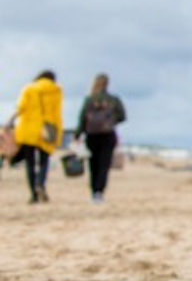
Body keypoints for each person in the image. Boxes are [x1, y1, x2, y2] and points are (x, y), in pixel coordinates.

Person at [8, 70, 65, 204]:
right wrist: (58, 134)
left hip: (28, 129)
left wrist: (10, 121)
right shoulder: (56, 90)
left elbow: (20, 107)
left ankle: (33, 194)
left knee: (30, 163)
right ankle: (40, 182)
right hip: (47, 129)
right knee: (44, 161)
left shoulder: (29, 89)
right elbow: (57, 112)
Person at [73, 72, 128, 204]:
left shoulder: (89, 99)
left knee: (93, 164)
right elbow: (123, 116)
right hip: (108, 134)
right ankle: (99, 192)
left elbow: (82, 119)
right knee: (104, 164)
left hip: (92, 134)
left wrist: (77, 134)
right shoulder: (113, 100)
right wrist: (111, 121)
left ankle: (93, 191)